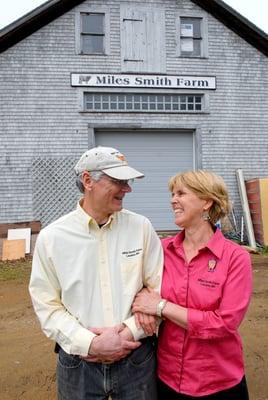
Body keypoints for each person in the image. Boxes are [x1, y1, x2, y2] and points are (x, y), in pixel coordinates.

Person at [29, 146, 163, 400]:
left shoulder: (141, 228)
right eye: (118, 181)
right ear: (88, 180)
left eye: (128, 181)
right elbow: (46, 305)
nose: (127, 189)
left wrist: (125, 334)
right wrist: (90, 343)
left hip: (136, 358)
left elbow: (159, 287)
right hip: (79, 363)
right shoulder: (53, 238)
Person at [132, 170, 252, 399]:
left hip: (218, 381)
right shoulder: (162, 250)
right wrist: (144, 301)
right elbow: (141, 288)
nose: (172, 200)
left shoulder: (235, 258)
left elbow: (224, 324)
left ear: (206, 201)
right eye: (172, 194)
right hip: (167, 377)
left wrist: (160, 307)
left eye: (181, 193)